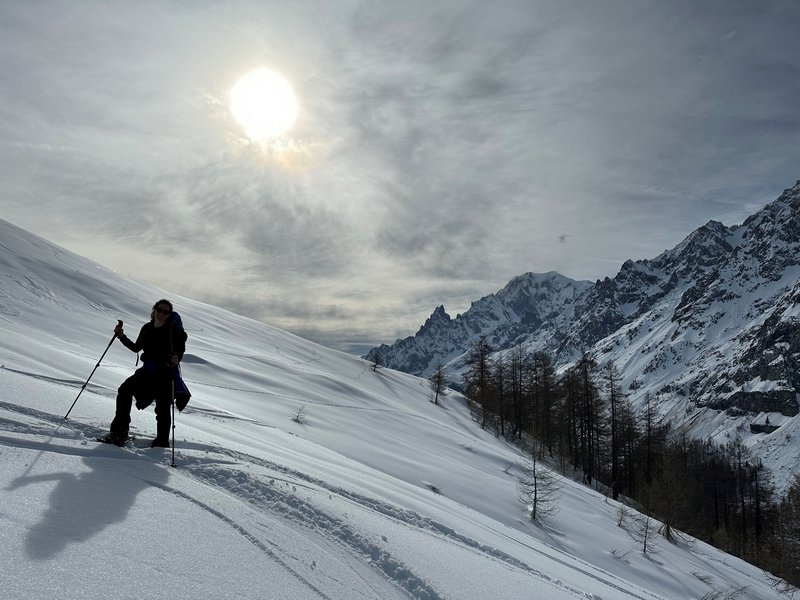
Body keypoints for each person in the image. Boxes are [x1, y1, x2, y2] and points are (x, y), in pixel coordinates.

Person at [99, 299, 190, 447]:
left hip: (165, 374)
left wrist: (176, 358)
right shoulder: (147, 328)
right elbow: (136, 348)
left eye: (165, 312)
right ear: (154, 310)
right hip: (147, 371)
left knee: (162, 408)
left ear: (169, 315)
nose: (161, 313)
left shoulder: (173, 332)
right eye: (159, 310)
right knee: (124, 390)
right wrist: (121, 336)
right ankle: (119, 432)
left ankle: (161, 442)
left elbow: (180, 350)